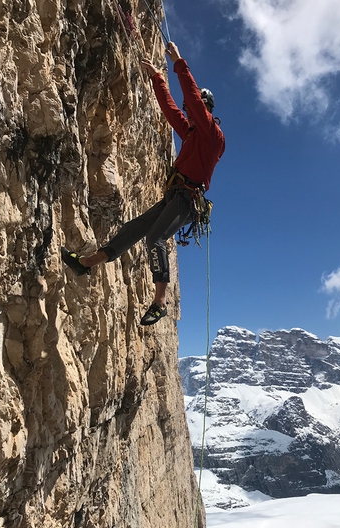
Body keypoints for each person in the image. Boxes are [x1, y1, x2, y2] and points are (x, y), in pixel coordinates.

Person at [61, 42, 225, 325]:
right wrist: (157, 79)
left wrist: (179, 62)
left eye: (195, 110)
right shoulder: (191, 134)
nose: (189, 114)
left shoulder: (213, 136)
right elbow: (172, 110)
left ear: (205, 110)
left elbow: (192, 102)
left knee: (155, 238)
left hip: (187, 200)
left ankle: (160, 302)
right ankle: (86, 263)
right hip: (175, 197)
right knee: (134, 229)